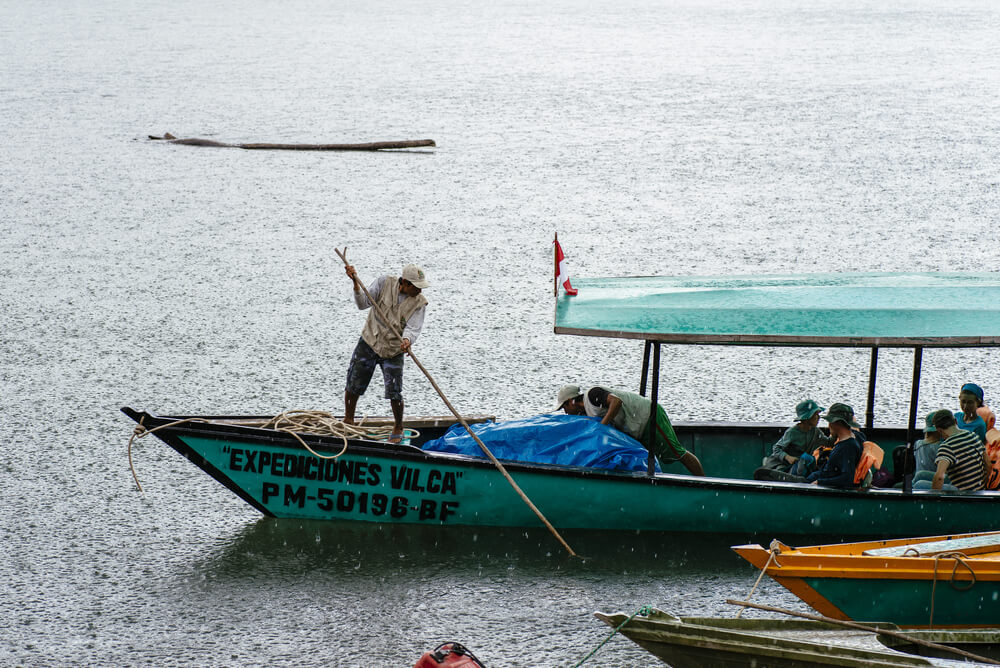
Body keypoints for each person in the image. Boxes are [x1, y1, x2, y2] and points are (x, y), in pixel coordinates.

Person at [343, 262, 429, 442]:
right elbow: (362, 303)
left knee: (394, 390)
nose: (419, 291)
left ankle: (398, 427)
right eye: (416, 287)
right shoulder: (384, 283)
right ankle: (348, 419)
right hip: (370, 339)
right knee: (354, 381)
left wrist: (407, 341)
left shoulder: (419, 303)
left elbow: (413, 328)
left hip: (393, 349)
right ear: (405, 283)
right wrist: (355, 284)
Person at [557, 385, 705, 476]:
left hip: (648, 416)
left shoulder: (593, 395)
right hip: (636, 428)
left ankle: (704, 483)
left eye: (564, 407)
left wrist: (601, 426)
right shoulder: (586, 412)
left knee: (676, 452)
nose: (565, 412)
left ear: (571, 401)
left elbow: (616, 402)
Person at [919, 409, 987, 492]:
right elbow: (988, 464)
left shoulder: (947, 447)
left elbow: (940, 477)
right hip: (978, 488)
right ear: (955, 421)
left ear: (939, 430)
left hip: (961, 492)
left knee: (919, 484)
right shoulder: (972, 435)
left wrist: (935, 498)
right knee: (920, 475)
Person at [760, 399, 831, 476]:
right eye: (815, 414)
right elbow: (776, 449)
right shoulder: (792, 432)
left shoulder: (816, 431)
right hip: (782, 465)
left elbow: (828, 442)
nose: (818, 417)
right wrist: (788, 457)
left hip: (799, 465)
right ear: (806, 418)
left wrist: (835, 431)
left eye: (818, 414)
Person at [805, 404, 863, 488]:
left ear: (836, 423)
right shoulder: (846, 441)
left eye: (830, 421)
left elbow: (846, 479)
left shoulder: (848, 447)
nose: (828, 426)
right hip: (814, 478)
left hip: (815, 485)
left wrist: (819, 482)